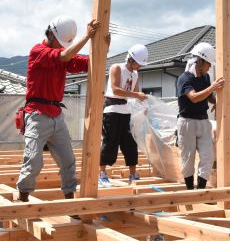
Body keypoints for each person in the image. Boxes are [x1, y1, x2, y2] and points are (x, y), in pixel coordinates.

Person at [16, 15, 107, 202]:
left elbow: (86, 62)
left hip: (56, 115)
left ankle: (69, 198)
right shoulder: (38, 51)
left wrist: (102, 46)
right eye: (60, 43)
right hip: (36, 114)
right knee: (33, 160)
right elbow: (65, 55)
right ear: (50, 34)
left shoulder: (62, 54)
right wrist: (87, 36)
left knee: (67, 161)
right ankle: (23, 196)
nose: (62, 47)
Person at [176, 42, 225, 190]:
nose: (210, 67)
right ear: (200, 61)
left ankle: (201, 190)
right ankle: (190, 191)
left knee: (208, 157)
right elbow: (194, 97)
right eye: (209, 63)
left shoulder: (205, 78)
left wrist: (218, 101)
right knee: (188, 158)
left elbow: (208, 96)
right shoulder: (185, 78)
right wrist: (213, 87)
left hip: (203, 121)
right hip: (187, 122)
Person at [98, 44, 149, 187]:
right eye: (138, 63)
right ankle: (102, 174)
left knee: (130, 144)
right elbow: (115, 90)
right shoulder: (117, 68)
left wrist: (142, 105)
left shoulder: (135, 74)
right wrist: (136, 95)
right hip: (112, 110)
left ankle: (133, 174)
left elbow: (136, 94)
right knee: (110, 142)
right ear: (131, 59)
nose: (139, 66)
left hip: (126, 111)